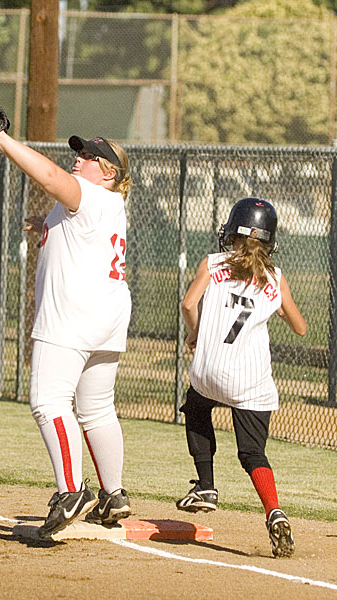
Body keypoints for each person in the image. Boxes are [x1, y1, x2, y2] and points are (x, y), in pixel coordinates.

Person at [0, 131, 133, 538]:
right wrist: (46, 224)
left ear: (109, 173)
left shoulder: (90, 195)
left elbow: (50, 177)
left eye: (90, 156)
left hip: (71, 315)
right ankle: (113, 495)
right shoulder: (108, 203)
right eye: (80, 152)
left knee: (48, 401)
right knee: (96, 408)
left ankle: (72, 491)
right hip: (107, 315)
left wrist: (1, 139)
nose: (79, 159)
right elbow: (79, 229)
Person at [176, 197, 307, 558]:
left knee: (196, 406)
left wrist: (195, 333)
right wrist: (277, 307)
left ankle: (206, 486)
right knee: (252, 452)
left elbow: (188, 304)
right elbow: (300, 328)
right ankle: (274, 511)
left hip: (208, 370)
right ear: (269, 240)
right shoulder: (275, 279)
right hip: (250, 380)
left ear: (232, 232)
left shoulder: (212, 263)